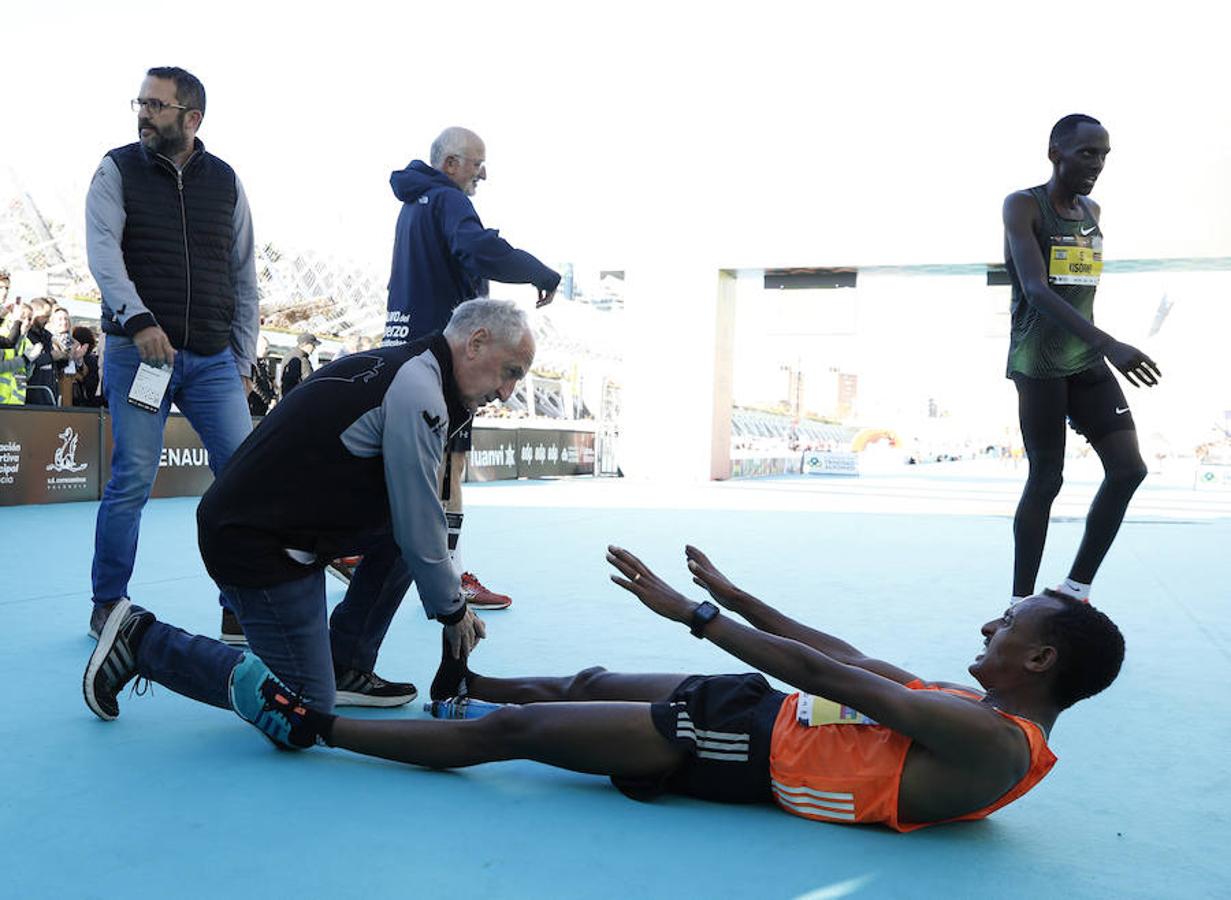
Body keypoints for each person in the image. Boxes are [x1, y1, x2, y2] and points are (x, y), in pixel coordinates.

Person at [210, 544, 1123, 832]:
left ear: (1040, 662)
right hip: (758, 714)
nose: (989, 626)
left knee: (518, 733)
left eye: (1009, 626)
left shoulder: (993, 748)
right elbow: (837, 652)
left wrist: (689, 612)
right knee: (585, 681)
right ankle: (460, 684)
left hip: (739, 751)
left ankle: (313, 725)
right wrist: (733, 596)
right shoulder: (985, 712)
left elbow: (826, 673)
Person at [84, 299, 535, 719]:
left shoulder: (417, 370)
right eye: (510, 372)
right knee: (303, 708)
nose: (508, 392)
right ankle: (142, 640)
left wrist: (445, 596)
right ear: (475, 342)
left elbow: (416, 521)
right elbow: (419, 520)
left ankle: (345, 664)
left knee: (406, 537)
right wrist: (453, 609)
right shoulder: (419, 390)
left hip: (288, 530)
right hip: (254, 543)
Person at [85, 66, 259, 644]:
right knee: (131, 478)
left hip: (212, 361)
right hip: (139, 355)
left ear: (192, 118)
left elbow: (243, 275)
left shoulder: (227, 181)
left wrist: (241, 358)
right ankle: (108, 604)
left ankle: (238, 604)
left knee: (243, 479)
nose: (143, 113)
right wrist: (137, 321)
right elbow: (103, 254)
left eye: (156, 105)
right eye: (140, 101)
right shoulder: (115, 168)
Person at [382, 126, 562, 610]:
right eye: (478, 163)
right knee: (447, 470)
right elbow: (478, 249)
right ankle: (451, 576)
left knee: (407, 467)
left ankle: (374, 554)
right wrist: (536, 270)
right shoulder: (448, 201)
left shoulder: (411, 205)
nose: (484, 173)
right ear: (451, 164)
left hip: (400, 347)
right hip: (442, 356)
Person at [1003, 114, 1161, 605]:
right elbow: (1036, 289)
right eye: (1087, 153)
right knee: (1047, 478)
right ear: (1056, 152)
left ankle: (1075, 588)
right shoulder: (1022, 205)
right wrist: (1110, 344)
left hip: (1085, 358)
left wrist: (1098, 347)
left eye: (1104, 155)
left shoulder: (1092, 209)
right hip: (1040, 362)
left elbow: (1080, 290)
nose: (1097, 164)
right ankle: (1019, 604)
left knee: (1129, 470)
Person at [21, 298, 64, 406]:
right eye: (45, 316)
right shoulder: (25, 335)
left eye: (49, 316)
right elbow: (27, 361)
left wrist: (65, 357)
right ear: (34, 314)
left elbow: (54, 365)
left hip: (49, 396)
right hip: (32, 397)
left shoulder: (47, 336)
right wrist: (51, 356)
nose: (48, 320)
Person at [247, 333, 277, 416]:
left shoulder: (262, 363)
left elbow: (267, 382)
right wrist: (268, 400)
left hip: (261, 404)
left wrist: (272, 396)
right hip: (255, 403)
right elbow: (254, 385)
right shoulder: (252, 363)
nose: (267, 351)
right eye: (265, 348)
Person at [279, 332, 318, 397]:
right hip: (297, 397)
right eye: (313, 345)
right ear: (305, 344)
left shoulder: (288, 355)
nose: (314, 348)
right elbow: (309, 381)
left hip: (286, 397)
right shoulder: (303, 359)